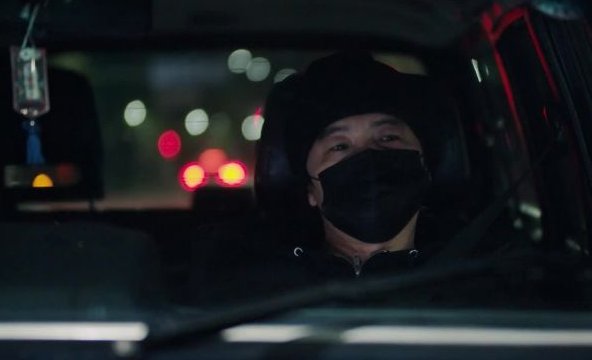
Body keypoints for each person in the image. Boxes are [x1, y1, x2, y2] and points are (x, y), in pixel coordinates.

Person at [190, 52, 456, 304]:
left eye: (388, 137)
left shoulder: (467, 269)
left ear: (425, 163)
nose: (367, 157)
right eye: (339, 146)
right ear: (310, 189)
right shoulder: (253, 285)